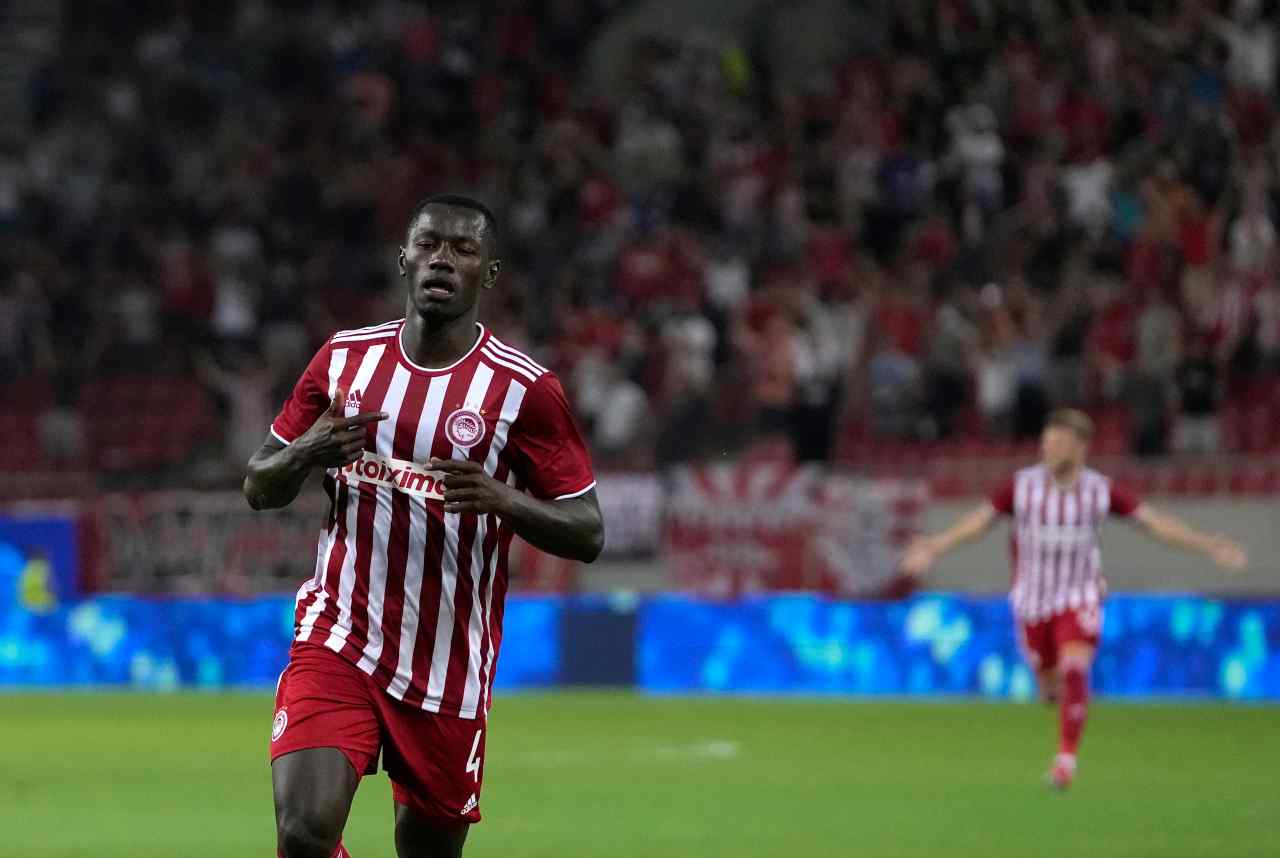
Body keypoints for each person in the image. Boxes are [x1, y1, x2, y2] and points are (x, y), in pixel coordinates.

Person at [243, 194, 604, 858]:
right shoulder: (344, 360)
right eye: (429, 244)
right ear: (403, 259)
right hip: (339, 634)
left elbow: (587, 531)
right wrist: (306, 452)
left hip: (448, 667)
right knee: (302, 833)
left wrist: (502, 498)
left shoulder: (523, 391)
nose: (442, 259)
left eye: (463, 249)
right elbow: (258, 484)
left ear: (489, 273)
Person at [900, 409, 1246, 789]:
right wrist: (935, 545)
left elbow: (1154, 523)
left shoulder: (1101, 490)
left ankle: (1065, 760)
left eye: (1059, 443)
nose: (1048, 449)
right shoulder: (1021, 487)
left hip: (1079, 594)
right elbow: (979, 522)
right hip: (1031, 601)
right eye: (1046, 441)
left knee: (1074, 668)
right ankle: (1059, 704)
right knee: (1050, 689)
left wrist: (1207, 544)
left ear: (1081, 448)